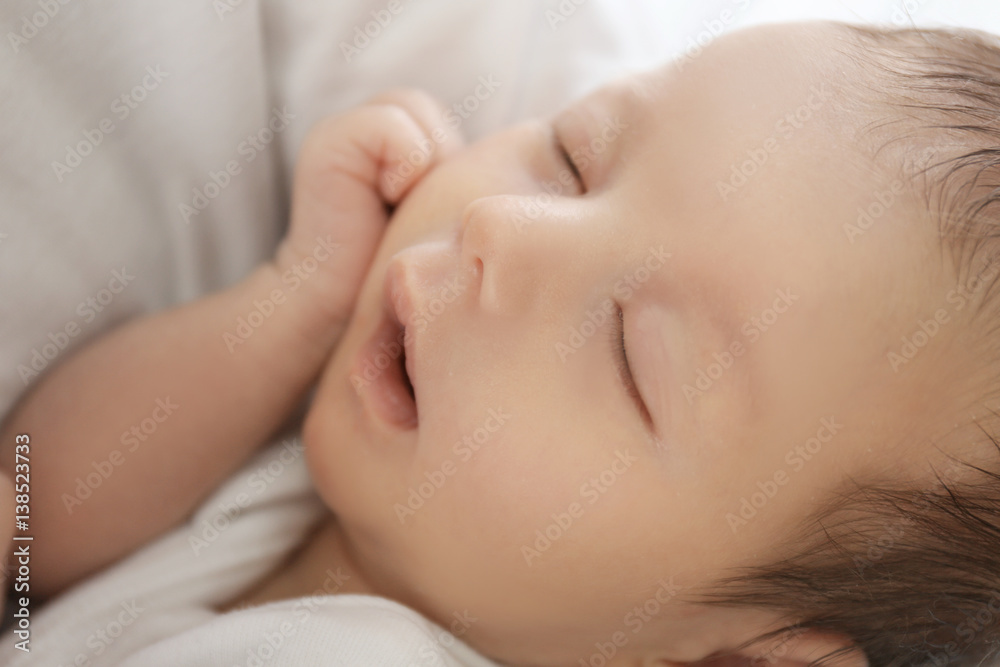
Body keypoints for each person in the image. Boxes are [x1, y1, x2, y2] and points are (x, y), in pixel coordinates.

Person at [3, 21, 1000, 666]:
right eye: (572, 159)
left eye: (627, 352)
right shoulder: (359, 489)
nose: (500, 231)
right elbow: (35, 516)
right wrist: (287, 307)